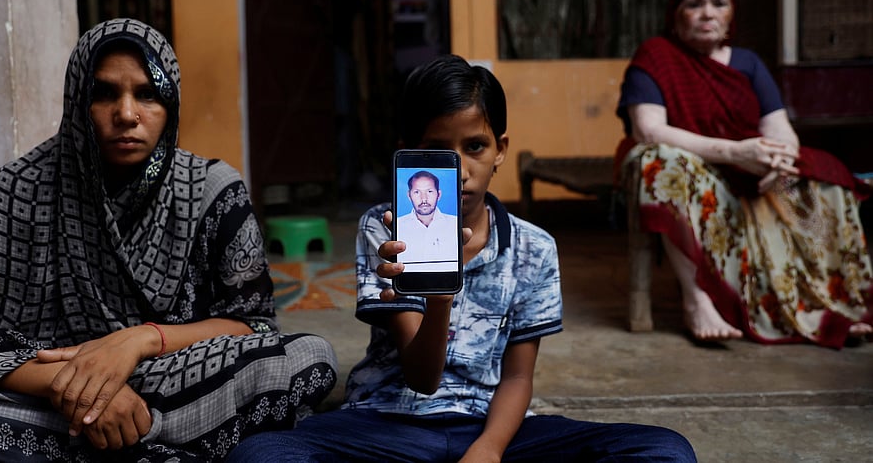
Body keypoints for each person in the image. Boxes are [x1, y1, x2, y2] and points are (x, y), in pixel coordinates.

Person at [226, 54, 696, 462]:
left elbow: (516, 377)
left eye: (475, 146)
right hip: (388, 426)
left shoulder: (534, 247)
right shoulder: (385, 228)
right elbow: (422, 377)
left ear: (500, 152)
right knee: (261, 454)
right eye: (435, 150)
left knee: (662, 450)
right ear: (409, 156)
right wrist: (441, 288)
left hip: (490, 429)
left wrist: (488, 450)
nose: (459, 169)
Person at [0, 18, 337, 461]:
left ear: (171, 104)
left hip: (168, 378)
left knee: (308, 358)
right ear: (76, 101)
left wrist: (139, 341)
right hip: (49, 392)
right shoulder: (16, 191)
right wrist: (82, 387)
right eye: (104, 94)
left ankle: (118, 437)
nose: (127, 114)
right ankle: (145, 443)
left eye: (147, 94)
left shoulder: (212, 190)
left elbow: (253, 325)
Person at [616, 0, 873, 347]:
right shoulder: (656, 56)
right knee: (660, 161)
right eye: (695, 4)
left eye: (718, 4)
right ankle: (698, 299)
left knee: (820, 175)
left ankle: (828, 307)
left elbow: (780, 129)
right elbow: (649, 129)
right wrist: (735, 152)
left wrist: (778, 161)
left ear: (731, 14)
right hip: (700, 169)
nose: (708, 13)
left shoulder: (748, 63)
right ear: (676, 14)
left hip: (754, 169)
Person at [396, 170, 459, 269]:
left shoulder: (456, 224)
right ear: (409, 195)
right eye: (417, 192)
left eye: (429, 191)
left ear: (439, 194)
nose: (424, 199)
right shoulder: (397, 226)